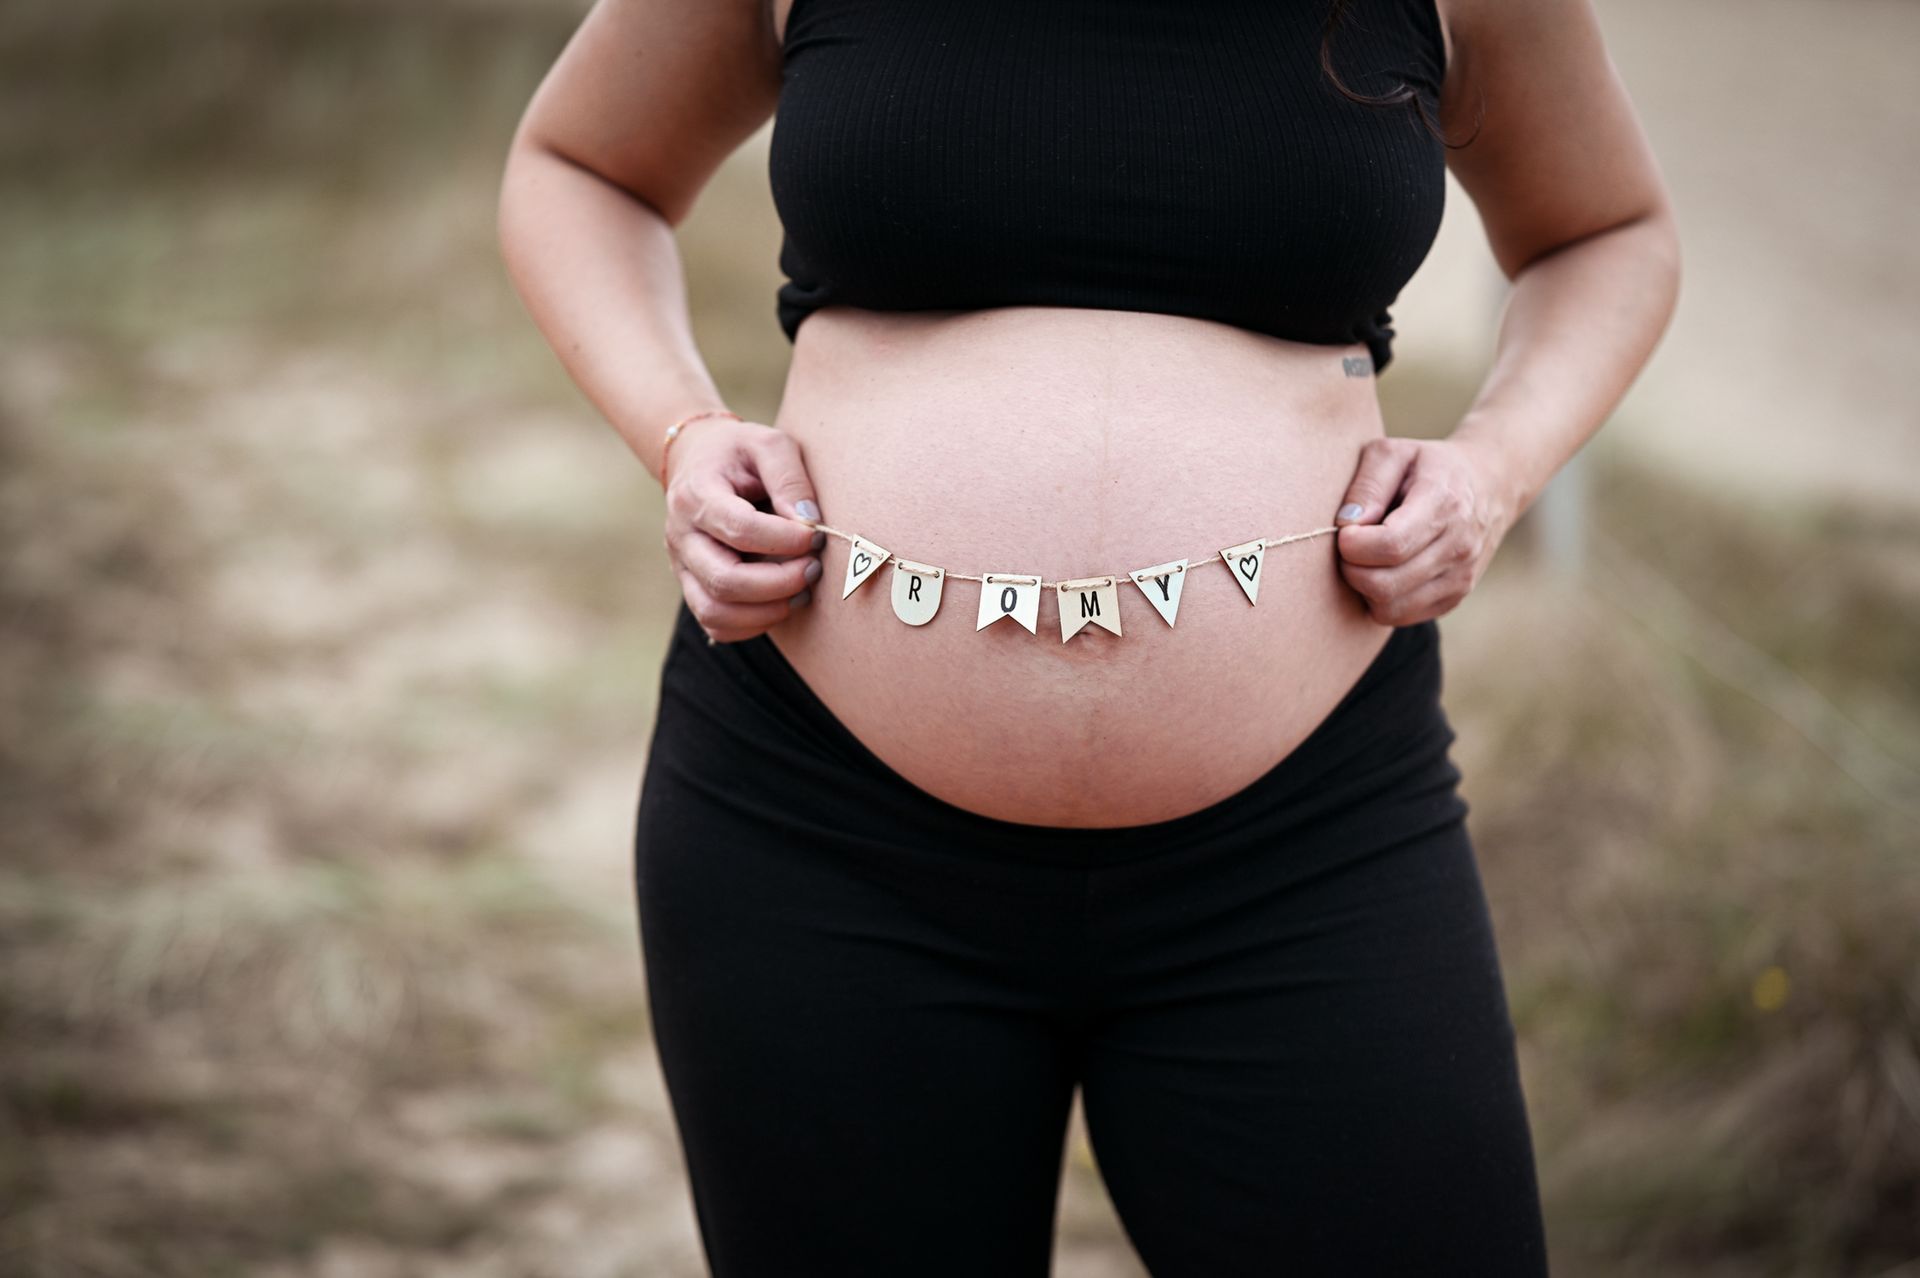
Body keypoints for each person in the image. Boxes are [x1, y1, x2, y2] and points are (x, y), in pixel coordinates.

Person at [497, 0, 1679, 1271]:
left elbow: (1608, 234)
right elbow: (580, 169)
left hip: (1307, 854)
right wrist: (682, 436)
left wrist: (1494, 471)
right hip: (820, 834)